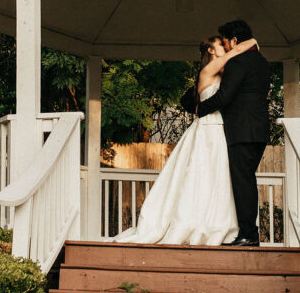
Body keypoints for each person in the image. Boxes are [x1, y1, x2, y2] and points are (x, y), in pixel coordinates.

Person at [113, 34, 259, 245]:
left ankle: (216, 223)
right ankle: (191, 222)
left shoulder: (225, 73)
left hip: (220, 130)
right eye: (220, 45)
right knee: (198, 175)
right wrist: (252, 41)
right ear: (210, 50)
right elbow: (236, 51)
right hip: (206, 130)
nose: (225, 48)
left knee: (218, 177)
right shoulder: (207, 70)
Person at [196, 19, 271, 247]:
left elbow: (224, 96)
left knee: (243, 182)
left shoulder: (237, 62)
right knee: (246, 179)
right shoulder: (262, 61)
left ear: (234, 40)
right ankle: (246, 232)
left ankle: (248, 235)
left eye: (226, 42)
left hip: (242, 131)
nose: (226, 46)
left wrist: (200, 109)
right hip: (259, 130)